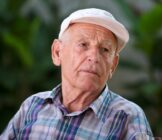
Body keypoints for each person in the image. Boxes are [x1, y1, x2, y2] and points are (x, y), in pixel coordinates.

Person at [1, 8, 153, 140]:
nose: (94, 57)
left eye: (105, 50)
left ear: (113, 65)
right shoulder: (33, 106)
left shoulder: (127, 118)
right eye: (83, 45)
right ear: (57, 52)